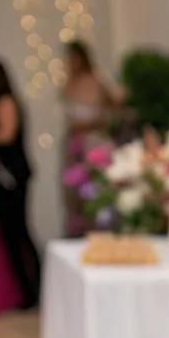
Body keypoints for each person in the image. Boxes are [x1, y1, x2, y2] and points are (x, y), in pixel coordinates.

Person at [0, 58, 39, 310]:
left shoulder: (5, 101)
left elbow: (5, 134)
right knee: (8, 233)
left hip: (9, 177)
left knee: (18, 231)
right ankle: (22, 290)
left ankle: (31, 291)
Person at [62, 40, 123, 236]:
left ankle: (100, 230)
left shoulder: (97, 80)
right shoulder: (69, 83)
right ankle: (79, 230)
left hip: (93, 142)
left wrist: (95, 123)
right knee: (74, 191)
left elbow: (114, 107)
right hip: (74, 142)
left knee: (95, 188)